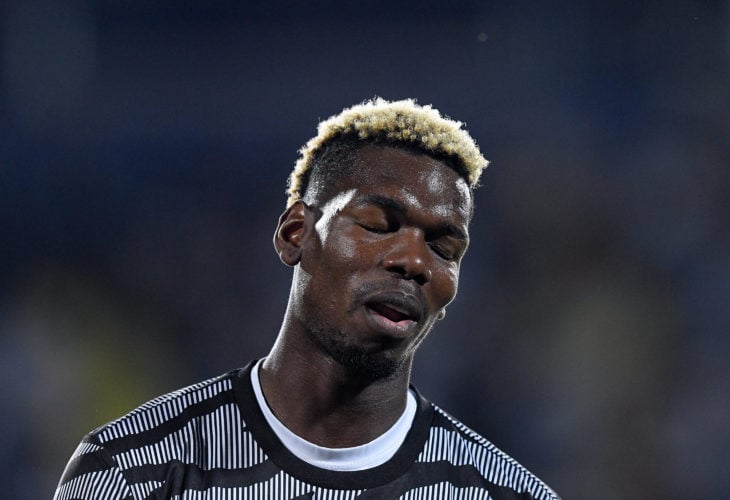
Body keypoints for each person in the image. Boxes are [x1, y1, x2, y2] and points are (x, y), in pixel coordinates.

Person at [54, 98, 559, 499]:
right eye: (378, 225)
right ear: (296, 233)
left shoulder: (501, 492)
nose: (413, 261)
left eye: (442, 247)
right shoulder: (133, 473)